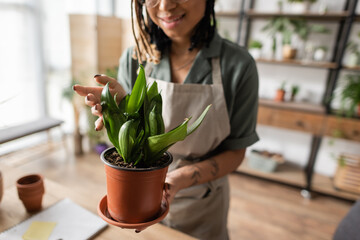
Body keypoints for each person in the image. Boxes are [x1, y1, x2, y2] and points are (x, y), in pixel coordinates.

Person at [73, 0, 259, 239]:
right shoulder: (135, 57)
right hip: (139, 199)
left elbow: (236, 152)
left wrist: (180, 178)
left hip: (203, 201)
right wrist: (119, 111)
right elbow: (133, 142)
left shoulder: (238, 65)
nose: (164, 6)